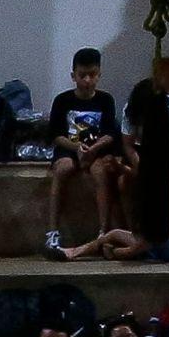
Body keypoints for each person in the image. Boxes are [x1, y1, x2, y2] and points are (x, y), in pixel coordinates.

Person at [43, 47, 126, 257]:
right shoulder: (62, 101)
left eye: (92, 75)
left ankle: (103, 230)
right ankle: (52, 231)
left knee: (100, 172)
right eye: (82, 75)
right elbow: (55, 134)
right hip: (70, 149)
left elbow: (110, 133)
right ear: (74, 76)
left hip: (96, 150)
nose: (87, 80)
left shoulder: (105, 100)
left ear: (99, 75)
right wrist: (76, 148)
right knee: (62, 170)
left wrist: (94, 148)